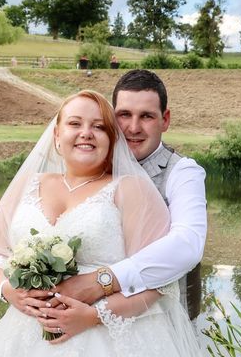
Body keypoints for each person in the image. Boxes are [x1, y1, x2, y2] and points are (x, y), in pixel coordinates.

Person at [0, 90, 202, 356]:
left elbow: (159, 284)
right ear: (57, 135)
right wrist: (10, 291)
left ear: (112, 140)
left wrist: (95, 315)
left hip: (110, 339)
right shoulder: (27, 185)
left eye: (99, 126)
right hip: (23, 336)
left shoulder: (132, 189)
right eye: (74, 123)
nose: (86, 132)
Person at [51, 70, 207, 320]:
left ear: (165, 120)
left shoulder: (183, 171)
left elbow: (188, 244)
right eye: (124, 115)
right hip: (81, 321)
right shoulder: (89, 162)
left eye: (146, 116)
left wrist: (102, 281)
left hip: (164, 323)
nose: (133, 128)